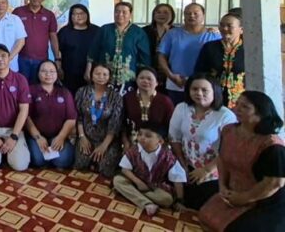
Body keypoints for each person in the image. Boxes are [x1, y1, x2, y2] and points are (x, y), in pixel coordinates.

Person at [199, 91, 285, 231]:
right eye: (237, 104)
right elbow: (222, 159)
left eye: (245, 107)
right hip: (234, 190)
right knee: (202, 210)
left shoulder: (271, 145)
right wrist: (222, 187)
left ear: (260, 113)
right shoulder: (228, 131)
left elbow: (275, 183)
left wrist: (244, 198)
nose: (237, 109)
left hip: (264, 199)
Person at [168, 74, 236, 210]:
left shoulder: (225, 115)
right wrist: (182, 164)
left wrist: (206, 170)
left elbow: (229, 149)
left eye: (204, 90)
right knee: (173, 198)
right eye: (194, 89)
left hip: (213, 171)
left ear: (215, 91)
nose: (199, 93)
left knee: (205, 206)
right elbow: (174, 138)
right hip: (185, 166)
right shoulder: (182, 108)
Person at [112, 122, 187, 216]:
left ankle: (129, 193)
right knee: (117, 180)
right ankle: (147, 203)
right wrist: (138, 183)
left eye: (148, 136)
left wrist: (180, 200)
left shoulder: (167, 157)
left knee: (167, 199)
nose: (142, 138)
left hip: (155, 187)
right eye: (140, 134)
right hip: (136, 182)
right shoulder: (134, 150)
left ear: (160, 141)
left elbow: (177, 179)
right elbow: (124, 169)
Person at [157, 3, 220, 106]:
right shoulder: (172, 34)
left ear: (203, 15)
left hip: (204, 86)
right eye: (188, 13)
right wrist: (171, 75)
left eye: (196, 13)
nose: (192, 16)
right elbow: (161, 56)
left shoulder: (213, 36)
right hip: (177, 84)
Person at [73, 63, 123, 178]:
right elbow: (78, 116)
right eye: (97, 74)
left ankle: (98, 162)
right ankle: (91, 162)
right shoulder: (82, 92)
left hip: (107, 139)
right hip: (86, 136)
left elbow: (115, 124)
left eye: (105, 74)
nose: (101, 77)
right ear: (91, 75)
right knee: (81, 164)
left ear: (109, 77)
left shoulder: (116, 97)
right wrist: (82, 137)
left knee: (106, 169)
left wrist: (104, 145)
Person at [26, 60, 77, 168]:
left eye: (52, 71)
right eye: (44, 71)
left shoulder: (65, 92)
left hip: (58, 135)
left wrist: (61, 137)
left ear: (57, 74)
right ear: (38, 73)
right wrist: (38, 137)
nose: (48, 74)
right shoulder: (31, 91)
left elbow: (71, 118)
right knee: (38, 160)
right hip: (37, 136)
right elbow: (26, 117)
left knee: (63, 161)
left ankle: (51, 156)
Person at [87, 2, 151, 88]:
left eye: (124, 12)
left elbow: (144, 57)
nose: (120, 14)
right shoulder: (104, 29)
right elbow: (93, 51)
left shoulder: (139, 32)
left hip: (129, 79)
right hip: (104, 77)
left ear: (130, 14)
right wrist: (88, 70)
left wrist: (143, 77)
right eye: (117, 11)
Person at [194, 12, 244, 107]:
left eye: (229, 26)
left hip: (240, 101)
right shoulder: (209, 47)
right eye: (222, 25)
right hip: (212, 97)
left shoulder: (248, 50)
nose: (224, 28)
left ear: (241, 29)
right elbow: (199, 72)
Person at [13, 0, 60, 84]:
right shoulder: (18, 12)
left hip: (41, 59)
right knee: (21, 86)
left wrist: (57, 58)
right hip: (21, 58)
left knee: (38, 87)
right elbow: (10, 34)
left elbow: (53, 37)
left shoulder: (49, 15)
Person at [122, 67, 174, 150]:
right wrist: (125, 141)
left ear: (157, 83)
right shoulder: (128, 98)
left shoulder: (165, 101)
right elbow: (122, 123)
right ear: (136, 80)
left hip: (157, 143)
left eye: (149, 79)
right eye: (141, 78)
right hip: (132, 141)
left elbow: (171, 126)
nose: (145, 81)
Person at [57, 4, 99, 94]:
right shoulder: (64, 32)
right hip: (69, 72)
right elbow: (58, 52)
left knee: (88, 97)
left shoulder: (96, 31)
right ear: (71, 16)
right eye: (75, 14)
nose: (79, 16)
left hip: (91, 72)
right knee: (70, 96)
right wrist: (59, 68)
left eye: (82, 13)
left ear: (87, 14)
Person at [142, 3, 176, 83]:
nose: (161, 15)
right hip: (149, 70)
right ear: (154, 15)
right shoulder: (144, 31)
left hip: (170, 72)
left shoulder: (177, 32)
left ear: (172, 15)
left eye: (165, 12)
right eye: (158, 12)